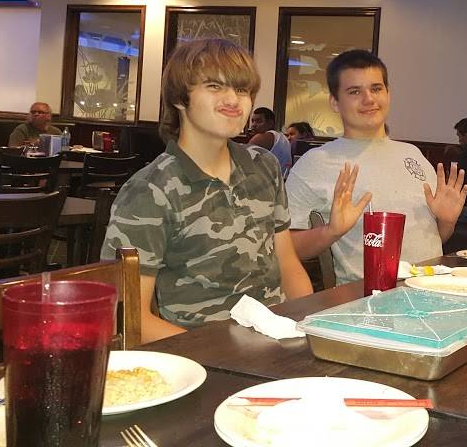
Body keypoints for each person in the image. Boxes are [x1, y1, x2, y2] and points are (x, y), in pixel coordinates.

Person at [101, 39, 312, 343]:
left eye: (242, 90)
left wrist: (305, 330)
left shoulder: (264, 166)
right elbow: (128, 316)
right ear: (179, 99)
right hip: (201, 354)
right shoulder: (149, 190)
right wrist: (215, 357)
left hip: (279, 343)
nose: (233, 100)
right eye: (214, 86)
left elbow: (288, 264)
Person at [285, 50, 467, 284]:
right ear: (334, 102)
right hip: (368, 297)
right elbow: (285, 248)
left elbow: (435, 239)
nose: (369, 99)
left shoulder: (413, 155)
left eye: (376, 89)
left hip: (433, 287)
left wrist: (446, 221)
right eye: (354, 91)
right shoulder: (316, 163)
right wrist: (331, 231)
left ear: (388, 94)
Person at [248, 107, 292, 175]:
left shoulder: (262, 137)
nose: (253, 125)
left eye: (258, 121)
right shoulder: (282, 137)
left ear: (270, 123)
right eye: (253, 121)